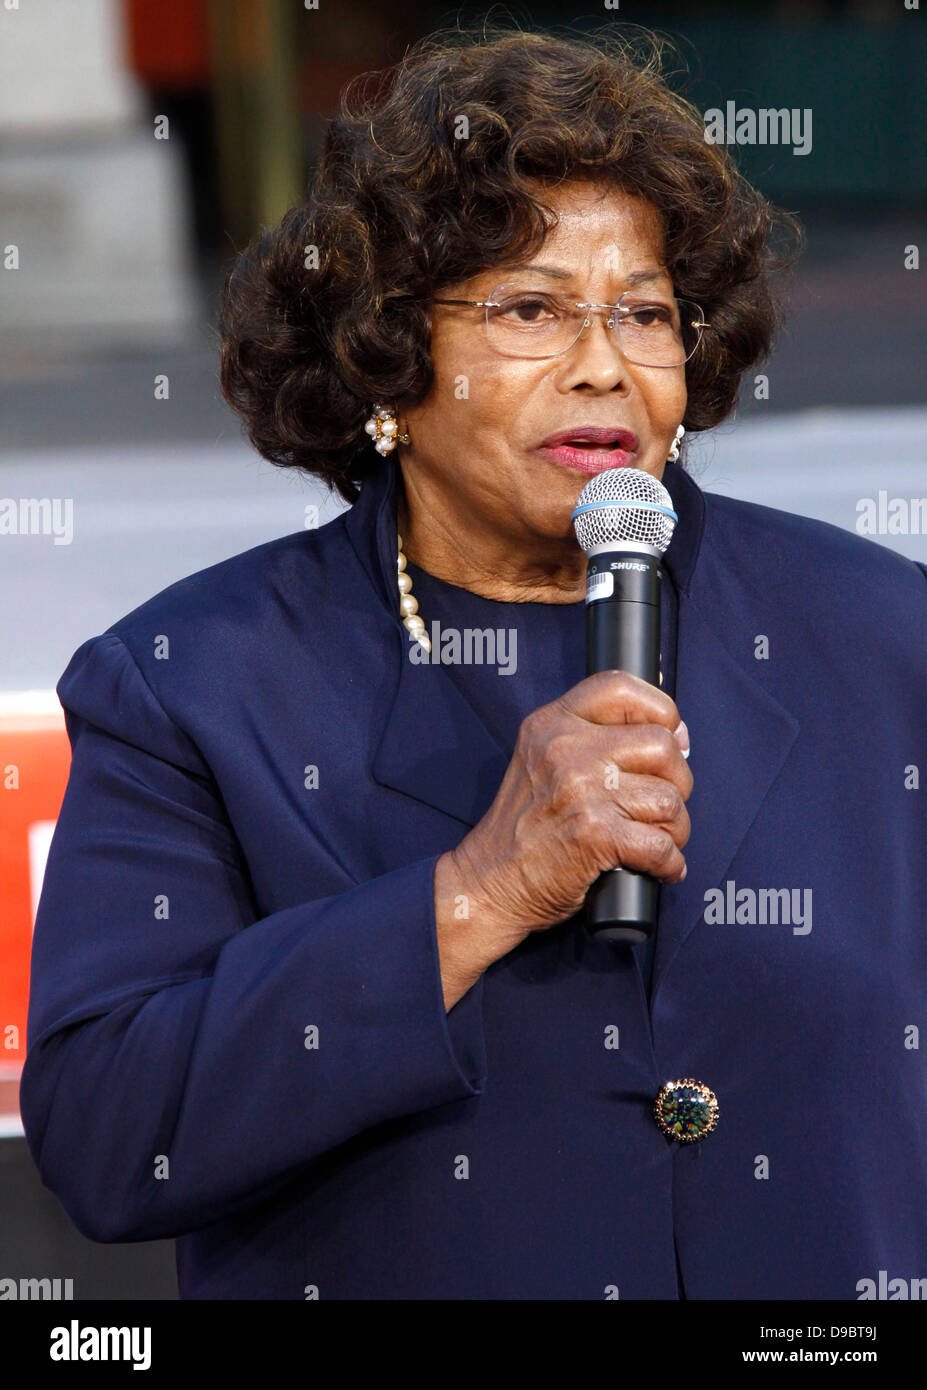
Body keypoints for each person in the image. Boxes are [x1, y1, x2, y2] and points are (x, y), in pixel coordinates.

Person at [21, 24, 927, 1300]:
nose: (604, 363)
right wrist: (479, 890)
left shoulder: (881, 637)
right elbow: (112, 1136)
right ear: (387, 353)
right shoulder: (198, 685)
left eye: (647, 313)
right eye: (533, 309)